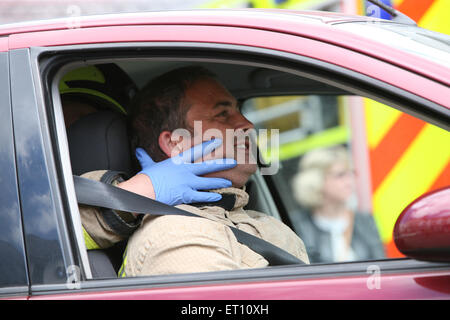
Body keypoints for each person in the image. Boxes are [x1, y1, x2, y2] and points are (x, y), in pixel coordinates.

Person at [79, 65, 310, 276]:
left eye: (238, 109)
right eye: (222, 114)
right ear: (175, 143)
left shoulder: (258, 220)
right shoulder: (176, 232)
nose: (247, 123)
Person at [61, 64, 239, 250]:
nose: (79, 135)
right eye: (73, 123)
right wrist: (140, 191)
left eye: (90, 122)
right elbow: (40, 241)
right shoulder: (172, 233)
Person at [290, 146, 385, 263]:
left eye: (351, 173)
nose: (349, 181)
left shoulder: (364, 220)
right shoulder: (299, 225)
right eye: (340, 175)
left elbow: (381, 264)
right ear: (315, 180)